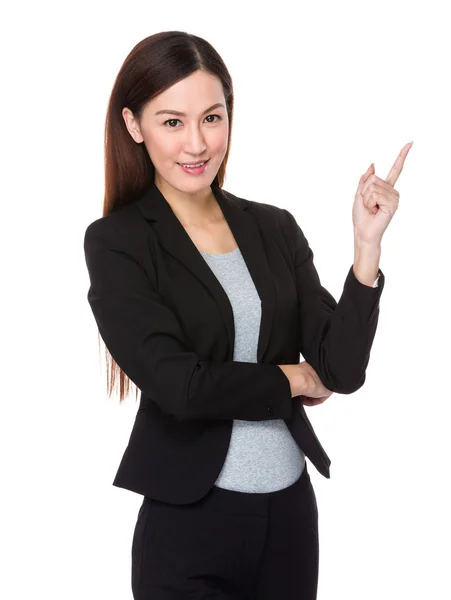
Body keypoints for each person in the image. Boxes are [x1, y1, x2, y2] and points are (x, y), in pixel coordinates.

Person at [83, 30, 412, 600]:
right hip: (188, 525)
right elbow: (181, 386)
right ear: (134, 126)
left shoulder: (273, 227)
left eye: (211, 118)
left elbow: (342, 369)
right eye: (171, 122)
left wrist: (365, 250)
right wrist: (291, 379)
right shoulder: (118, 243)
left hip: (288, 518)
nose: (196, 144)